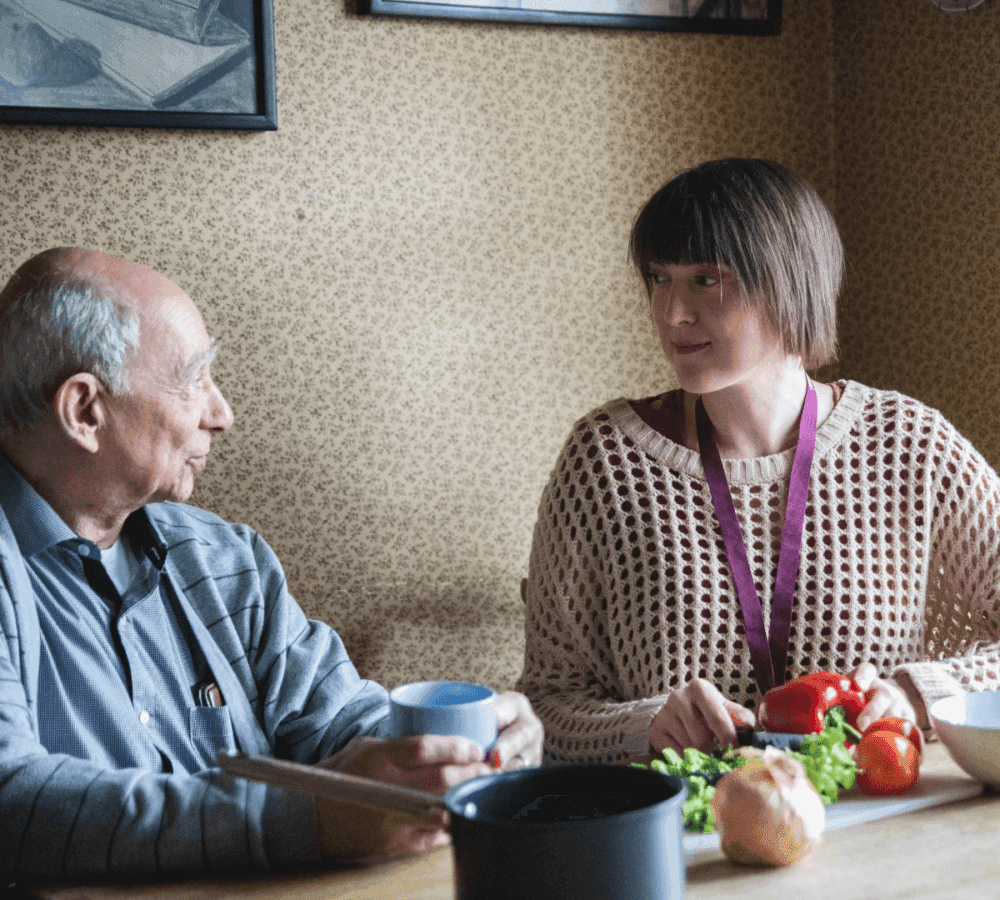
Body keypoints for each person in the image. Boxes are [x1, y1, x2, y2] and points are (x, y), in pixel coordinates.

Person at [0, 247, 542, 880]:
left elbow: (340, 721)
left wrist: (455, 756)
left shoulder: (227, 559)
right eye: (194, 380)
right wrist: (309, 817)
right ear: (85, 411)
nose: (221, 414)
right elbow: (13, 802)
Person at [516, 158, 1000, 765]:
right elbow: (546, 706)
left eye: (706, 280)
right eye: (660, 278)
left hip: (879, 811)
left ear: (787, 284)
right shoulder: (605, 462)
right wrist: (646, 727)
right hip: (690, 819)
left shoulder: (909, 444)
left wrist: (918, 692)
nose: (672, 313)